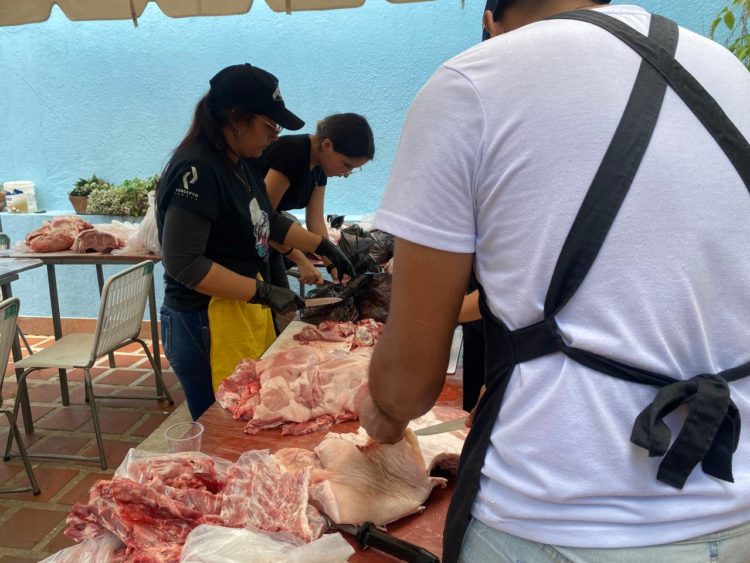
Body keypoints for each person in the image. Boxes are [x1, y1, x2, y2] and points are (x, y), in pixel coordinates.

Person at [359, 0, 750, 561]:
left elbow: (407, 382)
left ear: (491, 19)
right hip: (736, 506)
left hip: (553, 521)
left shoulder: (470, 83)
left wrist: (384, 408)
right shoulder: (729, 72)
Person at [157, 63, 355, 420]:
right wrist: (263, 292)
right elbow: (184, 263)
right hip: (203, 318)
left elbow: (267, 219)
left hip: (240, 307)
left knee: (248, 414)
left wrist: (323, 246)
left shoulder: (241, 160)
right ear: (236, 119)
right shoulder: (197, 169)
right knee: (219, 425)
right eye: (269, 126)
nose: (274, 136)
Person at [262, 113, 375, 290]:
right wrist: (300, 260)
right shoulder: (292, 153)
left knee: (286, 312)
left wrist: (332, 263)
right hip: (248, 235)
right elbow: (263, 219)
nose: (346, 174)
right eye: (346, 165)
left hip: (272, 240)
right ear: (327, 145)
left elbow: (315, 221)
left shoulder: (320, 165)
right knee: (271, 311)